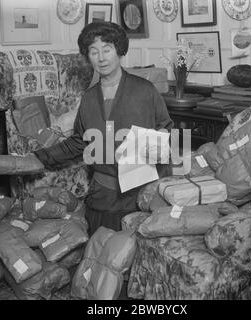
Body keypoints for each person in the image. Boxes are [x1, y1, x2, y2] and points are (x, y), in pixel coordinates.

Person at [33, 22, 173, 236]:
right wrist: (39, 157)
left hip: (141, 195)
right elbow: (79, 141)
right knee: (99, 255)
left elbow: (165, 130)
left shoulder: (145, 91)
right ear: (88, 56)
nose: (101, 57)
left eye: (107, 49)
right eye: (93, 51)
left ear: (119, 51)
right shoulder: (89, 98)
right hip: (102, 197)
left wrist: (155, 145)